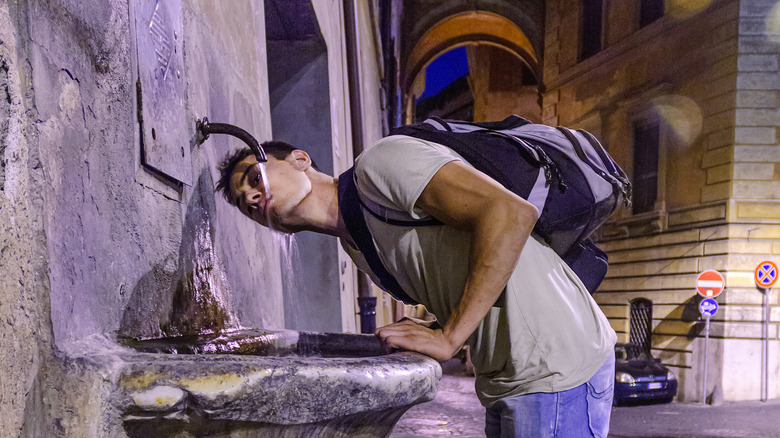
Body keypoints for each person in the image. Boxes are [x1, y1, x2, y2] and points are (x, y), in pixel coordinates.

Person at [217, 136, 617, 437]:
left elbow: (510, 212)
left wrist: (450, 336)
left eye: (255, 178)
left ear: (300, 160)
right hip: (508, 375)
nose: (252, 196)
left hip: (556, 363)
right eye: (242, 202)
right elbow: (454, 267)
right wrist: (436, 326)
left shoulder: (380, 164)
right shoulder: (356, 243)